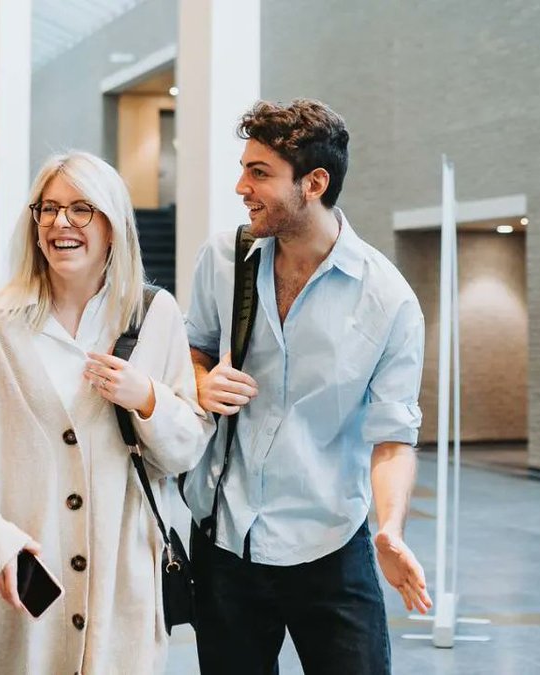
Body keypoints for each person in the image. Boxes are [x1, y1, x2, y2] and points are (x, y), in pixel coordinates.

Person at [0, 151, 210, 674]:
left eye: (82, 209)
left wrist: (147, 399)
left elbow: (187, 449)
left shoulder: (153, 316)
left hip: (120, 593)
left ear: (112, 226)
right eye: (49, 209)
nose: (62, 222)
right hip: (22, 595)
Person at [184, 99, 432, 675]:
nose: (241, 187)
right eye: (244, 169)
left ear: (314, 183)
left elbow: (393, 437)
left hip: (330, 544)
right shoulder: (224, 258)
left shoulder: (387, 300)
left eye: (259, 173)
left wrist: (390, 531)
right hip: (225, 537)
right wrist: (199, 381)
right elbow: (193, 347)